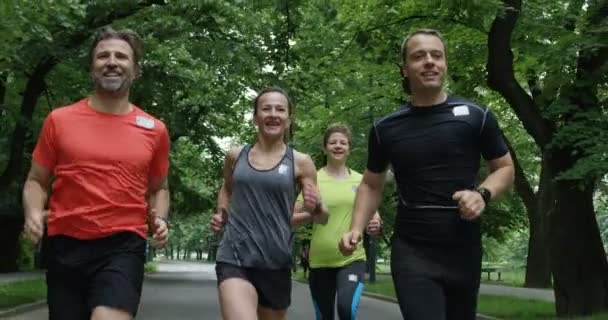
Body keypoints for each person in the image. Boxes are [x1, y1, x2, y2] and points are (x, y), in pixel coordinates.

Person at [339, 28, 515, 320]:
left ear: (445, 64)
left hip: (463, 249)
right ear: (405, 69)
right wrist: (356, 228)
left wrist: (482, 194)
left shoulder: (476, 116)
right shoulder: (386, 129)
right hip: (413, 251)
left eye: (437, 55)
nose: (429, 62)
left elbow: (505, 168)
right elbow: (371, 185)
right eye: (419, 56)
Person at [22, 27, 170, 320]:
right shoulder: (59, 120)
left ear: (135, 70)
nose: (112, 61)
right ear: (92, 68)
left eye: (121, 56)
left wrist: (160, 218)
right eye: (103, 56)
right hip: (65, 243)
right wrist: (33, 212)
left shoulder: (154, 129)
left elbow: (159, 188)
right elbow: (36, 181)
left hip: (123, 244)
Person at [210, 87, 328, 320]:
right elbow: (226, 187)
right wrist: (221, 212)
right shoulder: (235, 156)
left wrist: (316, 207)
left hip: (275, 262)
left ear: (288, 119)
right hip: (234, 256)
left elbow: (322, 217)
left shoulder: (301, 163)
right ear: (256, 118)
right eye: (266, 109)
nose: (273, 114)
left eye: (280, 109)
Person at [292, 123, 382, 320]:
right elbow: (292, 218)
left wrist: (374, 225)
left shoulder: (361, 181)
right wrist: (313, 213)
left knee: (346, 309)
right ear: (325, 148)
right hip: (320, 261)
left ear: (349, 148)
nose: (338, 146)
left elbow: (373, 215)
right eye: (333, 142)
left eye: (343, 142)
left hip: (352, 258)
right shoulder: (314, 180)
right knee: (324, 317)